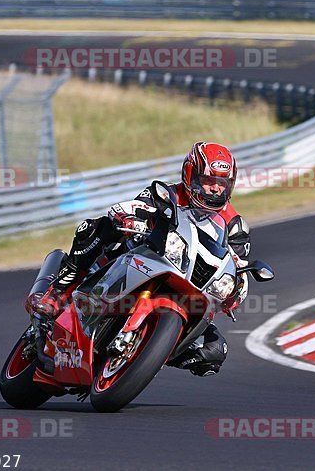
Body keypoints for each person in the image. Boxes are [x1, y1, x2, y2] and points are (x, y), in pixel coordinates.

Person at [27, 142, 251, 376]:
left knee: (214, 351)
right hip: (144, 260)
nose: (215, 189)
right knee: (94, 229)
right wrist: (129, 218)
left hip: (192, 289)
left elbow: (238, 266)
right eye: (208, 180)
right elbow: (131, 207)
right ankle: (57, 292)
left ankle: (148, 351)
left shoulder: (235, 225)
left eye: (222, 183)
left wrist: (236, 290)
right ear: (190, 175)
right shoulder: (166, 194)